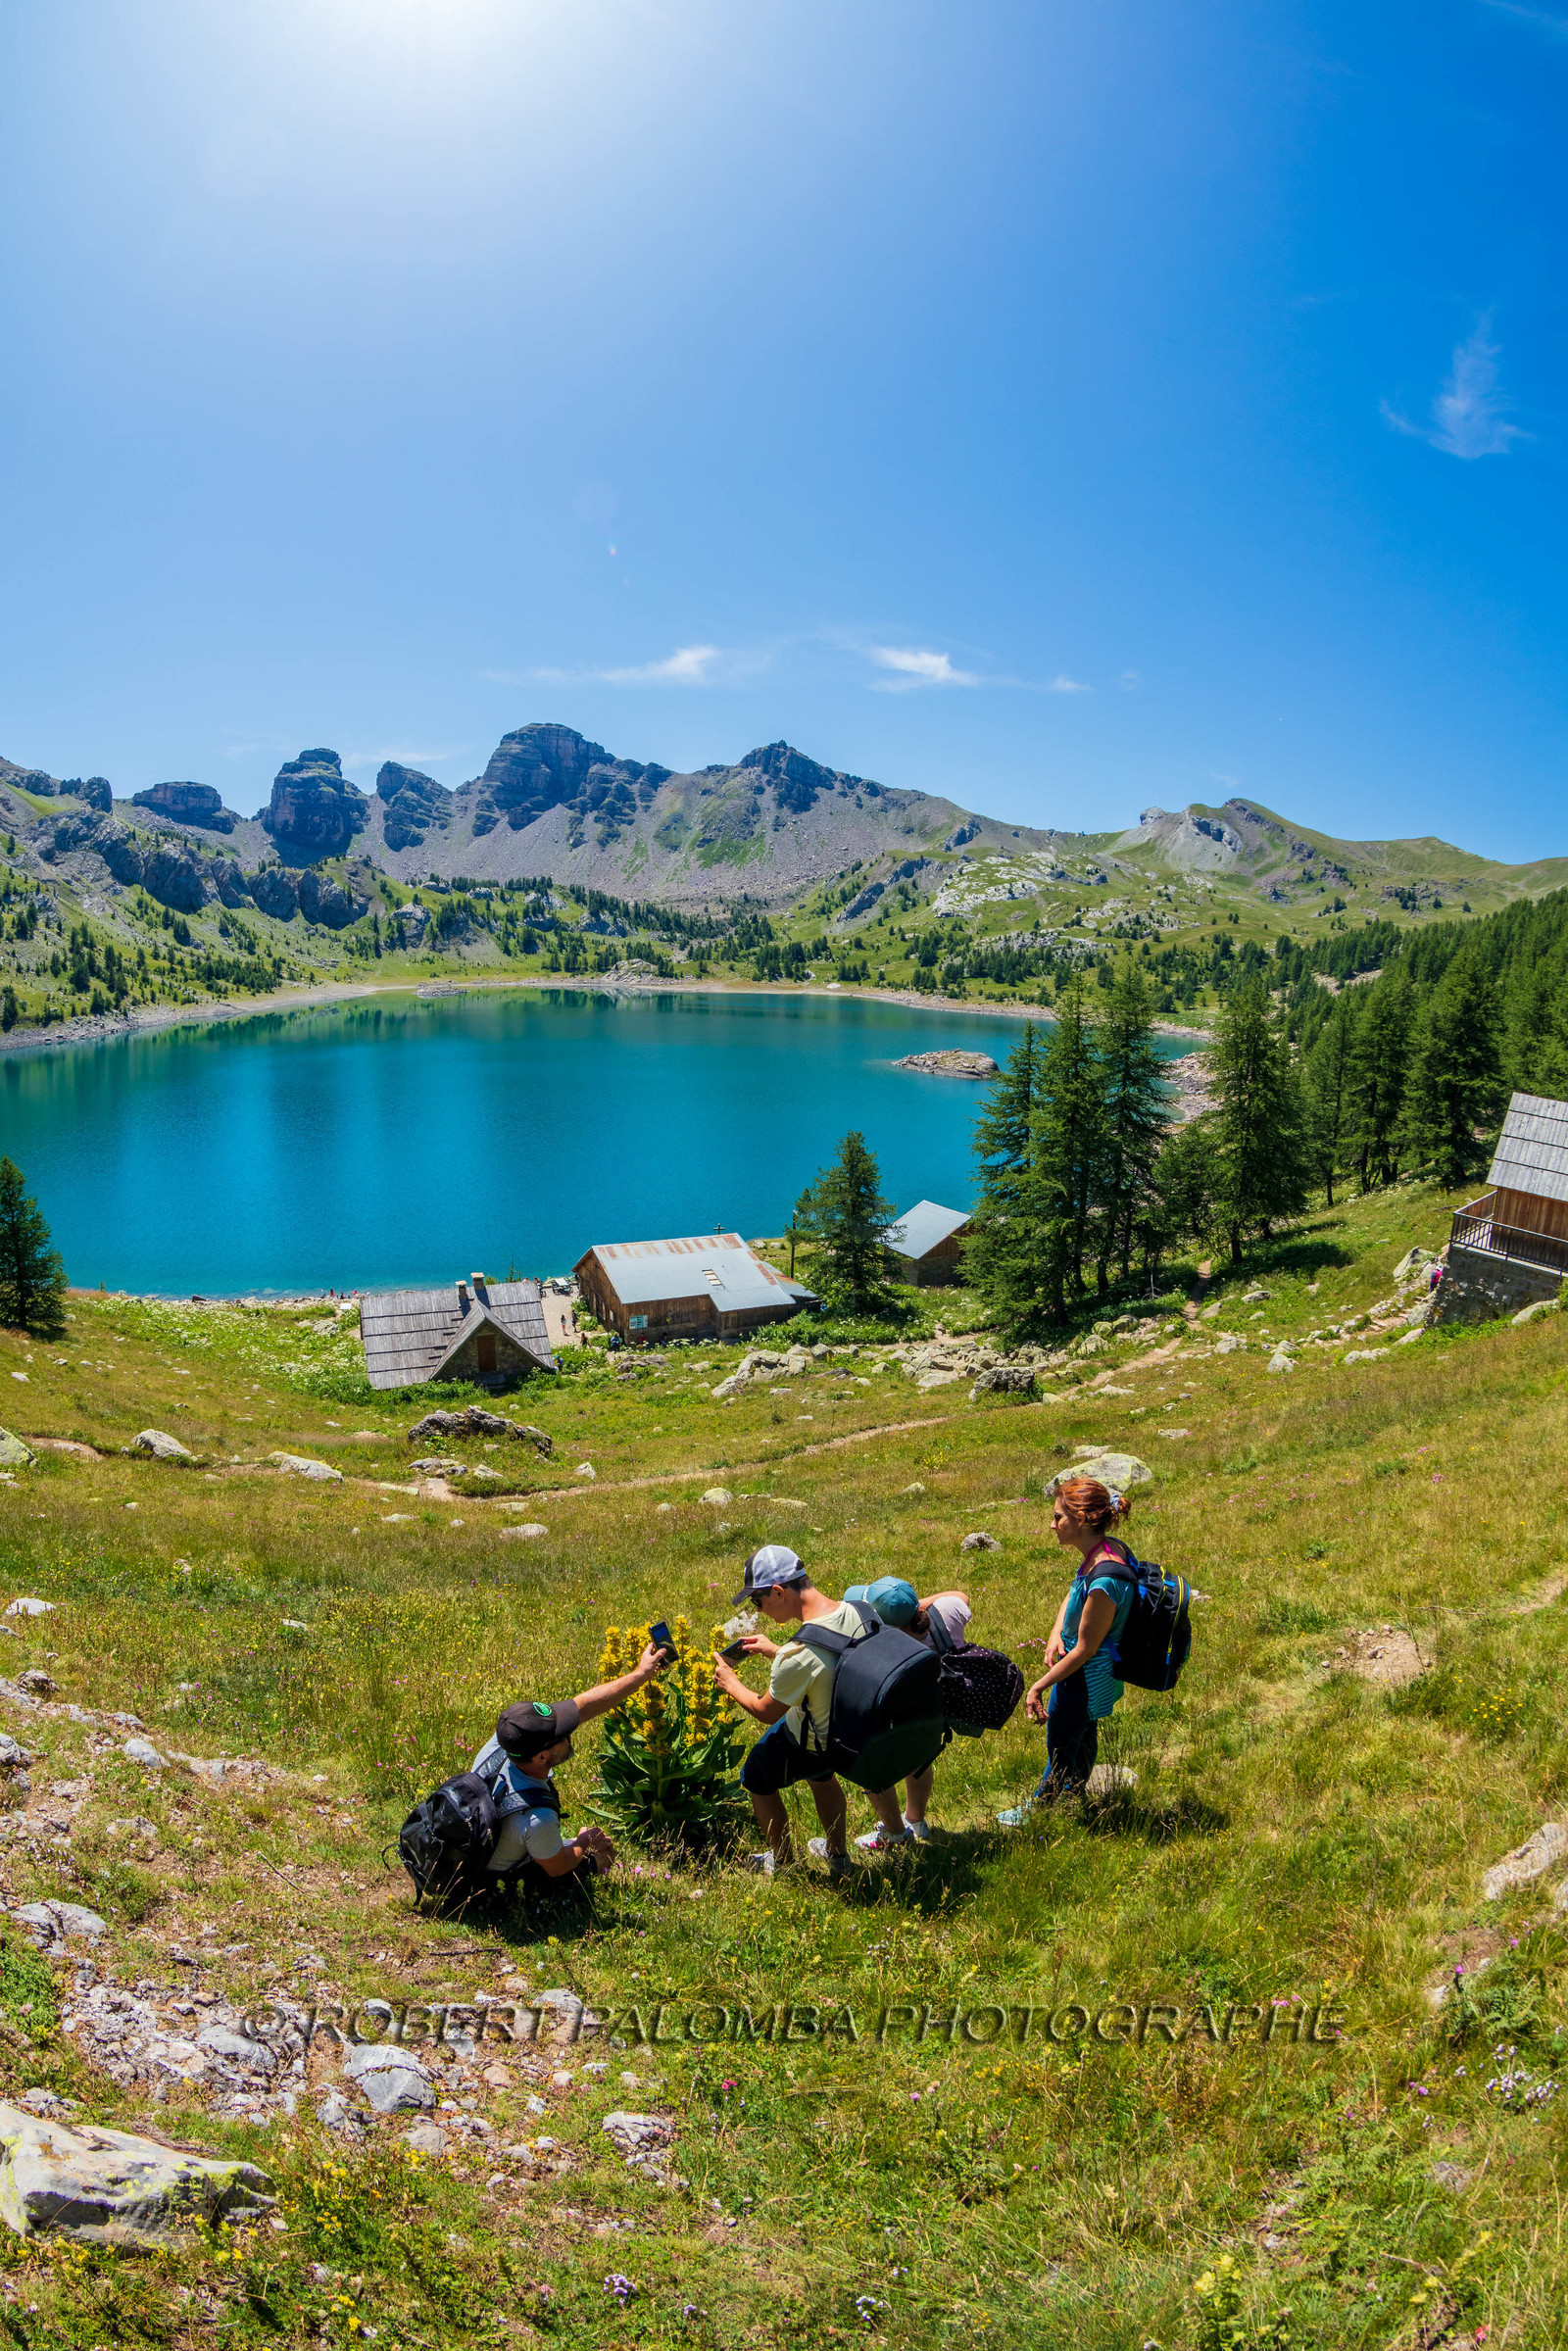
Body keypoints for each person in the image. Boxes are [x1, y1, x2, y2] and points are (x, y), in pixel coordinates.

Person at [711, 1544, 910, 1877]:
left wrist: (730, 1682)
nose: (759, 1610)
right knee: (820, 1776)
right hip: (855, 1731)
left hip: (816, 1740)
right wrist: (777, 1650)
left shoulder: (797, 1654)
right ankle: (838, 1856)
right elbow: (835, 1660)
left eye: (757, 1601)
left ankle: (785, 1863)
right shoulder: (858, 1610)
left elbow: (765, 1711)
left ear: (778, 1591)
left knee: (756, 1776)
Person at [469, 1639, 671, 1884]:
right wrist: (582, 1843)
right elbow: (559, 1866)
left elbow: (582, 1706)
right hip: (498, 1879)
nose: (570, 1732)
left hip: (486, 1845)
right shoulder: (536, 1818)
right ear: (541, 1757)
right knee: (604, 1853)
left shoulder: (506, 1742)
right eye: (562, 1734)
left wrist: (641, 1674)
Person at [998, 1475, 1135, 1824]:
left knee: (1060, 1740)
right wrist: (1058, 1630)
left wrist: (1038, 1686)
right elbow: (1076, 1591)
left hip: (1084, 1678)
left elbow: (1086, 1649)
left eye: (1059, 1517)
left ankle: (1039, 1812)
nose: (1052, 1524)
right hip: (1088, 1677)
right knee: (1083, 1732)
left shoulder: (1105, 1579)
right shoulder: (1102, 1552)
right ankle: (1075, 1792)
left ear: (1084, 1519)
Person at [843, 1575, 971, 1847]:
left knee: (870, 1765)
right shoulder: (948, 1613)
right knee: (920, 1761)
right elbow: (961, 1596)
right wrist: (913, 1609)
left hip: (896, 1722)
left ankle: (894, 1832)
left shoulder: (886, 1645)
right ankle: (916, 1820)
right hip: (935, 1714)